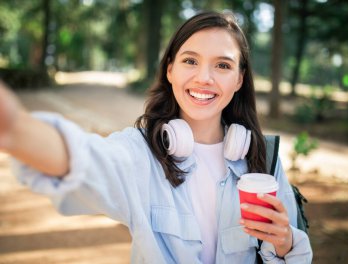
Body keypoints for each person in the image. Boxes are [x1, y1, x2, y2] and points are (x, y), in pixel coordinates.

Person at [0, 11, 312, 264]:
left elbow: (292, 255)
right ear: (170, 70)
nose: (204, 77)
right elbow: (83, 159)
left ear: (239, 79)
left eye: (222, 65)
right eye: (190, 61)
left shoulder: (262, 159)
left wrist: (284, 244)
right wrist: (15, 128)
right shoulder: (140, 153)